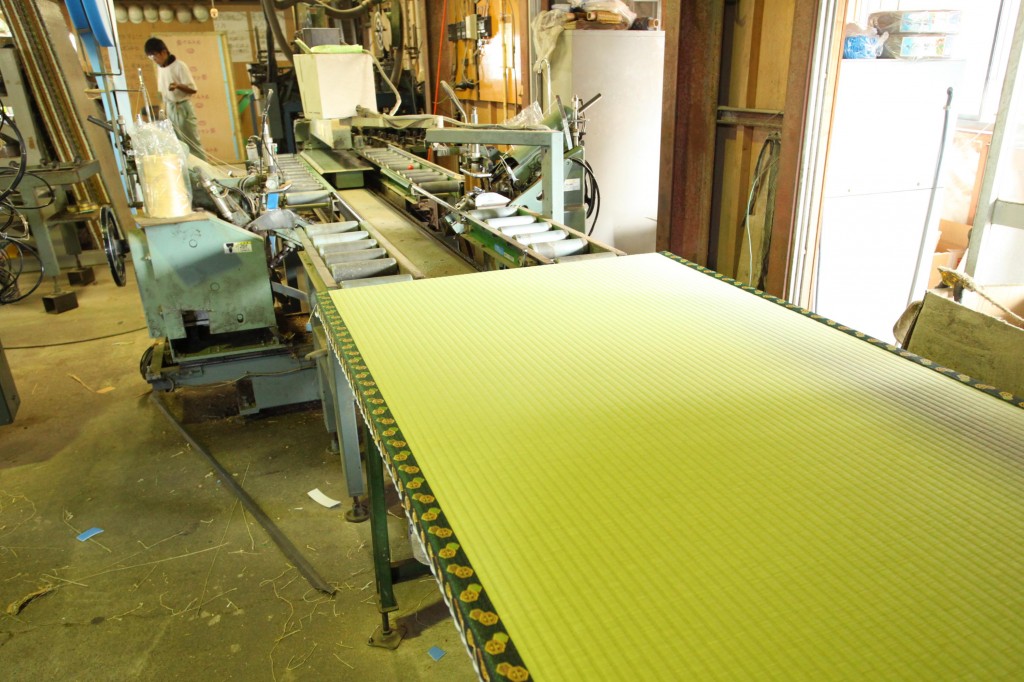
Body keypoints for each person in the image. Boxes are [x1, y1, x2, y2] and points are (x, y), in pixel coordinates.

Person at [144, 37, 207, 161]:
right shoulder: (161, 68)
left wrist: (178, 86)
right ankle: (187, 169)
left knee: (192, 142)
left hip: (182, 107)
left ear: (163, 52)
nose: (155, 61)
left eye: (155, 57)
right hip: (170, 107)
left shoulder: (179, 66)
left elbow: (193, 89)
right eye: (152, 59)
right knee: (178, 144)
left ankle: (202, 168)